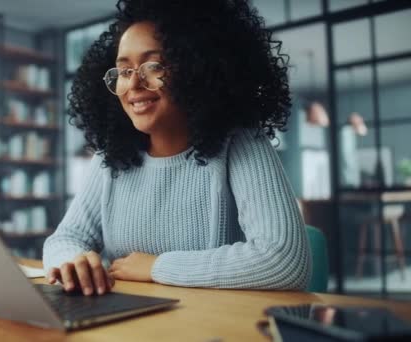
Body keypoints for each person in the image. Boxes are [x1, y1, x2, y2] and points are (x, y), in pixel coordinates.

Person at [43, 0, 311, 296]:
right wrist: (73, 263)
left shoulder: (240, 143)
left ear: (198, 69)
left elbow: (284, 261)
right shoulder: (111, 159)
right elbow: (64, 239)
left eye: (154, 66)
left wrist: (156, 267)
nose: (134, 84)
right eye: (123, 70)